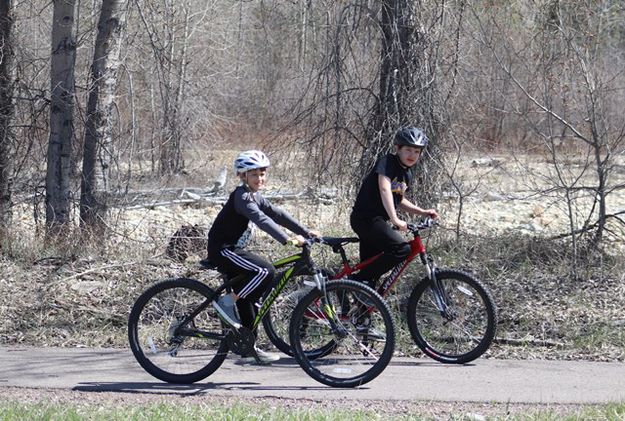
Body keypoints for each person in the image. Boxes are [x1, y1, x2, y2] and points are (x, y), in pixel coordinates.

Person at [207, 150, 319, 364]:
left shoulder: (255, 196)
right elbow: (261, 219)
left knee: (252, 299)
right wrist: (286, 239)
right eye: (254, 175)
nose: (259, 179)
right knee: (265, 270)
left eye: (262, 174)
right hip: (223, 249)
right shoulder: (241, 197)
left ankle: (248, 348)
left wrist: (305, 232)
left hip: (233, 251)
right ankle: (226, 302)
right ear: (242, 176)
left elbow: (276, 214)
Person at [350, 126, 439, 288]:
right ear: (397, 148)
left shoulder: (407, 173)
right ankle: (352, 282)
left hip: (377, 222)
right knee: (402, 249)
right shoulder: (388, 162)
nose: (412, 155)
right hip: (365, 219)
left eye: (417, 152)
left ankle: (359, 305)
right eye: (408, 150)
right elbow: (384, 188)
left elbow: (399, 199)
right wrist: (395, 219)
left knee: (371, 276)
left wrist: (423, 211)